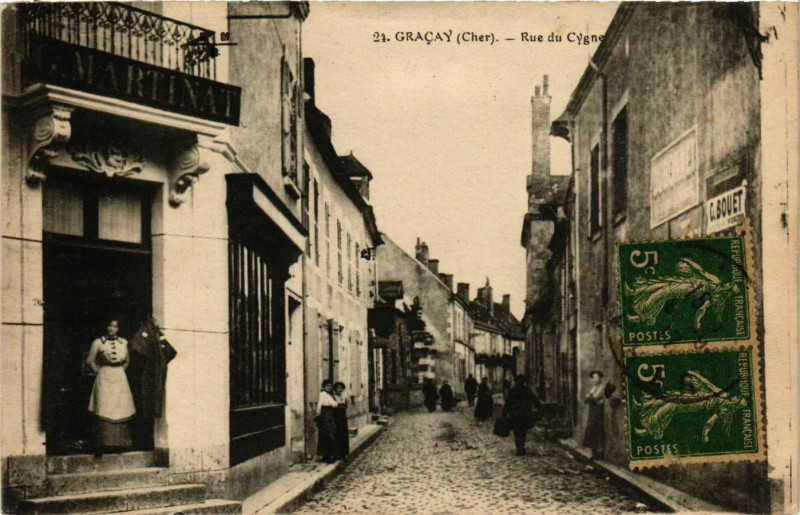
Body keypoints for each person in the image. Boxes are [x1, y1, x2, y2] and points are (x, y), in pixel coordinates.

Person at [86, 319, 136, 456]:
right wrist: (99, 370)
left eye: (114, 326)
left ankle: (120, 445)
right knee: (103, 405)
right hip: (104, 376)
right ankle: (102, 445)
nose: (111, 328)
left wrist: (119, 370)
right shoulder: (97, 342)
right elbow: (90, 360)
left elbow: (128, 361)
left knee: (120, 406)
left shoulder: (124, 342)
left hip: (119, 377)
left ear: (119, 328)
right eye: (109, 325)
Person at [503, 374, 541, 456]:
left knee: (517, 432)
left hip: (515, 415)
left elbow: (508, 403)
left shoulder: (512, 391)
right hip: (525, 414)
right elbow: (534, 400)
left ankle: (519, 448)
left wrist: (504, 414)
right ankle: (522, 447)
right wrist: (539, 408)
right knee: (523, 431)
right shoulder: (527, 390)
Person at [583, 370, 609, 459]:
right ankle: (593, 452)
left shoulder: (602, 387)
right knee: (591, 430)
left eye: (596, 377)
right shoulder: (594, 387)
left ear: (600, 378)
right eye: (593, 377)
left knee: (598, 430)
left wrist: (590, 397)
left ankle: (599, 453)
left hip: (598, 411)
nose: (593, 379)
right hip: (592, 411)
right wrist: (590, 397)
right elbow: (586, 399)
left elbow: (594, 397)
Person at [316, 379, 340, 463]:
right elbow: (320, 405)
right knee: (328, 435)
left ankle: (329, 455)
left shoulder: (328, 395)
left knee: (329, 434)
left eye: (330, 386)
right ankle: (328, 455)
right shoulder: (323, 394)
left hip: (329, 415)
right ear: (323, 387)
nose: (329, 387)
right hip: (326, 416)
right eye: (327, 386)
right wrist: (319, 415)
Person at [332, 382, 350, 459]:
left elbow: (346, 407)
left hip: (343, 419)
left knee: (344, 435)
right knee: (337, 435)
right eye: (338, 388)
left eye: (341, 388)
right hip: (336, 419)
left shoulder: (344, 397)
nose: (339, 389)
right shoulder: (333, 397)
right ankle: (337, 453)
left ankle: (344, 453)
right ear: (335, 389)